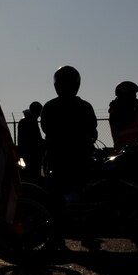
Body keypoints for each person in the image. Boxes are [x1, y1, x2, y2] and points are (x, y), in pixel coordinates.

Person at [40, 66, 98, 194]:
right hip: (73, 158)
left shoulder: (50, 106)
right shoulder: (84, 106)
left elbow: (46, 129)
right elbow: (93, 130)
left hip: (62, 157)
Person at [108, 80, 138, 153]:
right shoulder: (117, 112)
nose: (135, 97)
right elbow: (128, 118)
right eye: (133, 95)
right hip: (124, 153)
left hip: (136, 151)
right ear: (126, 96)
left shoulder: (130, 110)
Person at [17, 101, 45, 179]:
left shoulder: (26, 121)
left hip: (27, 154)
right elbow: (36, 139)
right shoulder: (31, 122)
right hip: (32, 154)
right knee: (33, 175)